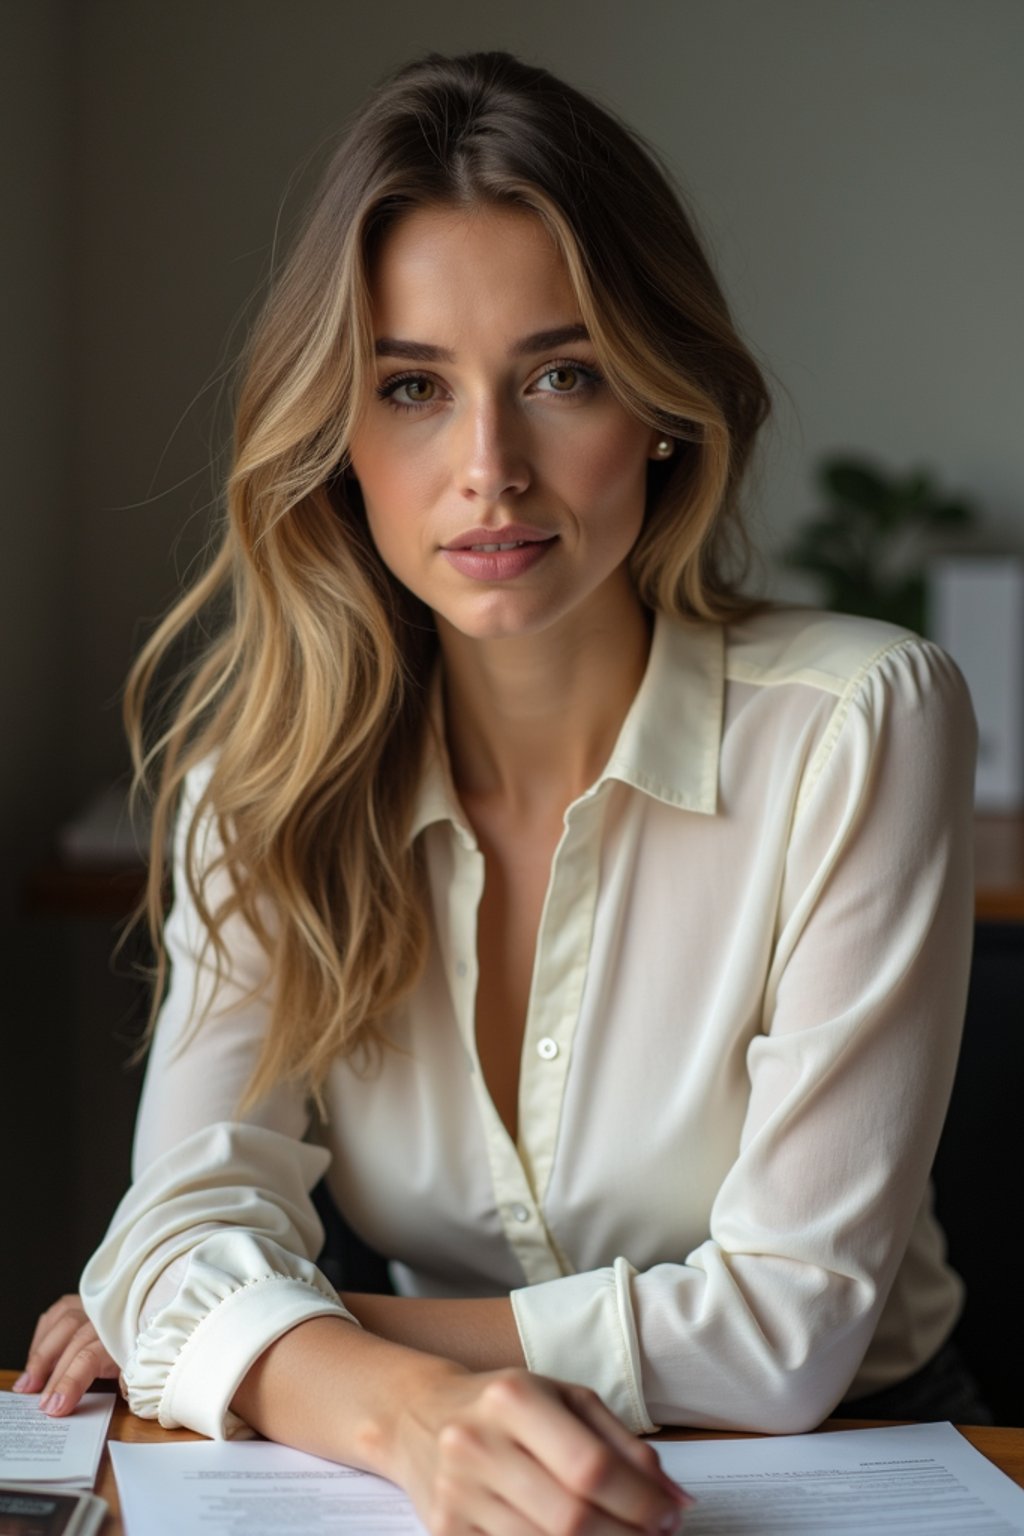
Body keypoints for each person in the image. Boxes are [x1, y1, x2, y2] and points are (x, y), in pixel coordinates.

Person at [17, 48, 984, 1536]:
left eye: (560, 374)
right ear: (338, 437)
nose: (489, 470)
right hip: (416, 1478)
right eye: (411, 387)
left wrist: (296, 1340)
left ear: (662, 405)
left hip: (856, 1460)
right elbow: (176, 1235)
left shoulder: (861, 722)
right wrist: (388, 1406)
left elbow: (790, 1337)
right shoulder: (259, 787)